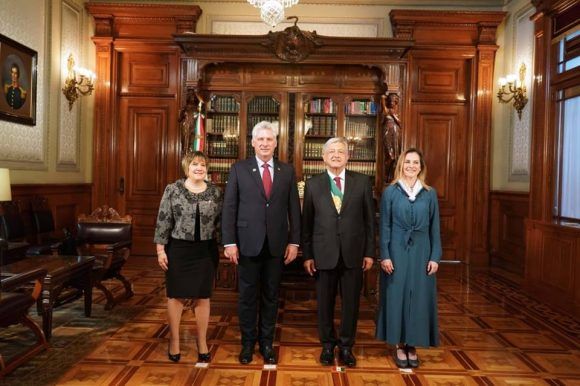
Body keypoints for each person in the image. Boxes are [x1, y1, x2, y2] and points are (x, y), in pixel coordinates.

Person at [222, 121, 301, 365]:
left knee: (271, 295)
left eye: (269, 139)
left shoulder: (287, 171)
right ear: (253, 143)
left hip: (276, 245)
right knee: (247, 296)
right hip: (246, 243)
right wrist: (229, 242)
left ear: (276, 143)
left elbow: (294, 210)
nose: (265, 143)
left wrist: (295, 242)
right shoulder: (239, 169)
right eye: (261, 140)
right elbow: (229, 207)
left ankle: (266, 343)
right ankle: (247, 344)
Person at [302, 137, 375, 368]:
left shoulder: (362, 182)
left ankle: (345, 346)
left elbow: (369, 222)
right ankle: (327, 345)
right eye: (331, 152)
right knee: (324, 304)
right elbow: (307, 224)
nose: (335, 155)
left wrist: (369, 252)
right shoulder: (313, 184)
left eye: (340, 152)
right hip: (323, 254)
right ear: (323, 157)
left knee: (351, 304)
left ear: (347, 156)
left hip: (354, 254)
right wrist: (308, 255)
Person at [375, 148, 442, 369]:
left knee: (419, 298)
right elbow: (384, 226)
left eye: (415, 163)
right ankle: (398, 343)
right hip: (396, 250)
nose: (411, 166)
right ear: (401, 165)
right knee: (397, 296)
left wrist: (435, 256)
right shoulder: (391, 192)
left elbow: (435, 228)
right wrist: (384, 255)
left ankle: (412, 343)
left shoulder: (429, 193)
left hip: (422, 251)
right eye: (407, 162)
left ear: (421, 167)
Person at [154, 151, 222, 364]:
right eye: (194, 164)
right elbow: (163, 220)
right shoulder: (173, 190)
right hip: (179, 250)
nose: (199, 168)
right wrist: (160, 250)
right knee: (176, 295)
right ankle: (174, 340)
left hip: (206, 251)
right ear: (187, 167)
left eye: (203, 164)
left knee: (203, 295)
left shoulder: (215, 192)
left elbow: (221, 223)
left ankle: (202, 342)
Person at [381, 93, 401, 184]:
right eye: (391, 101)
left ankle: (391, 177)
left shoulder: (396, 112)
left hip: (395, 133)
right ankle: (386, 177)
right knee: (390, 155)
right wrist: (384, 99)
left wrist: (393, 115)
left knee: (395, 157)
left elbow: (400, 123)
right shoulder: (387, 110)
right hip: (387, 133)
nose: (392, 103)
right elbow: (382, 98)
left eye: (394, 101)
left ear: (396, 102)